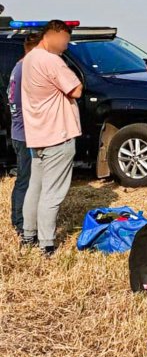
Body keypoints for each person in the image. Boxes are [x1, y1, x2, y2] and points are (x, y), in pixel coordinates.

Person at [21, 20, 83, 255]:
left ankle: (28, 236)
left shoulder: (28, 60)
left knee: (35, 187)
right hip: (58, 133)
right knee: (52, 192)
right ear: (54, 34)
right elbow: (76, 90)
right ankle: (46, 243)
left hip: (37, 134)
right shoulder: (51, 60)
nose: (66, 46)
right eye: (65, 40)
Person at [8, 32, 41, 240]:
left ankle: (22, 220)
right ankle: (20, 222)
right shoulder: (25, 69)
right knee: (26, 180)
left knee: (27, 179)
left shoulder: (19, 67)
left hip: (21, 131)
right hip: (25, 133)